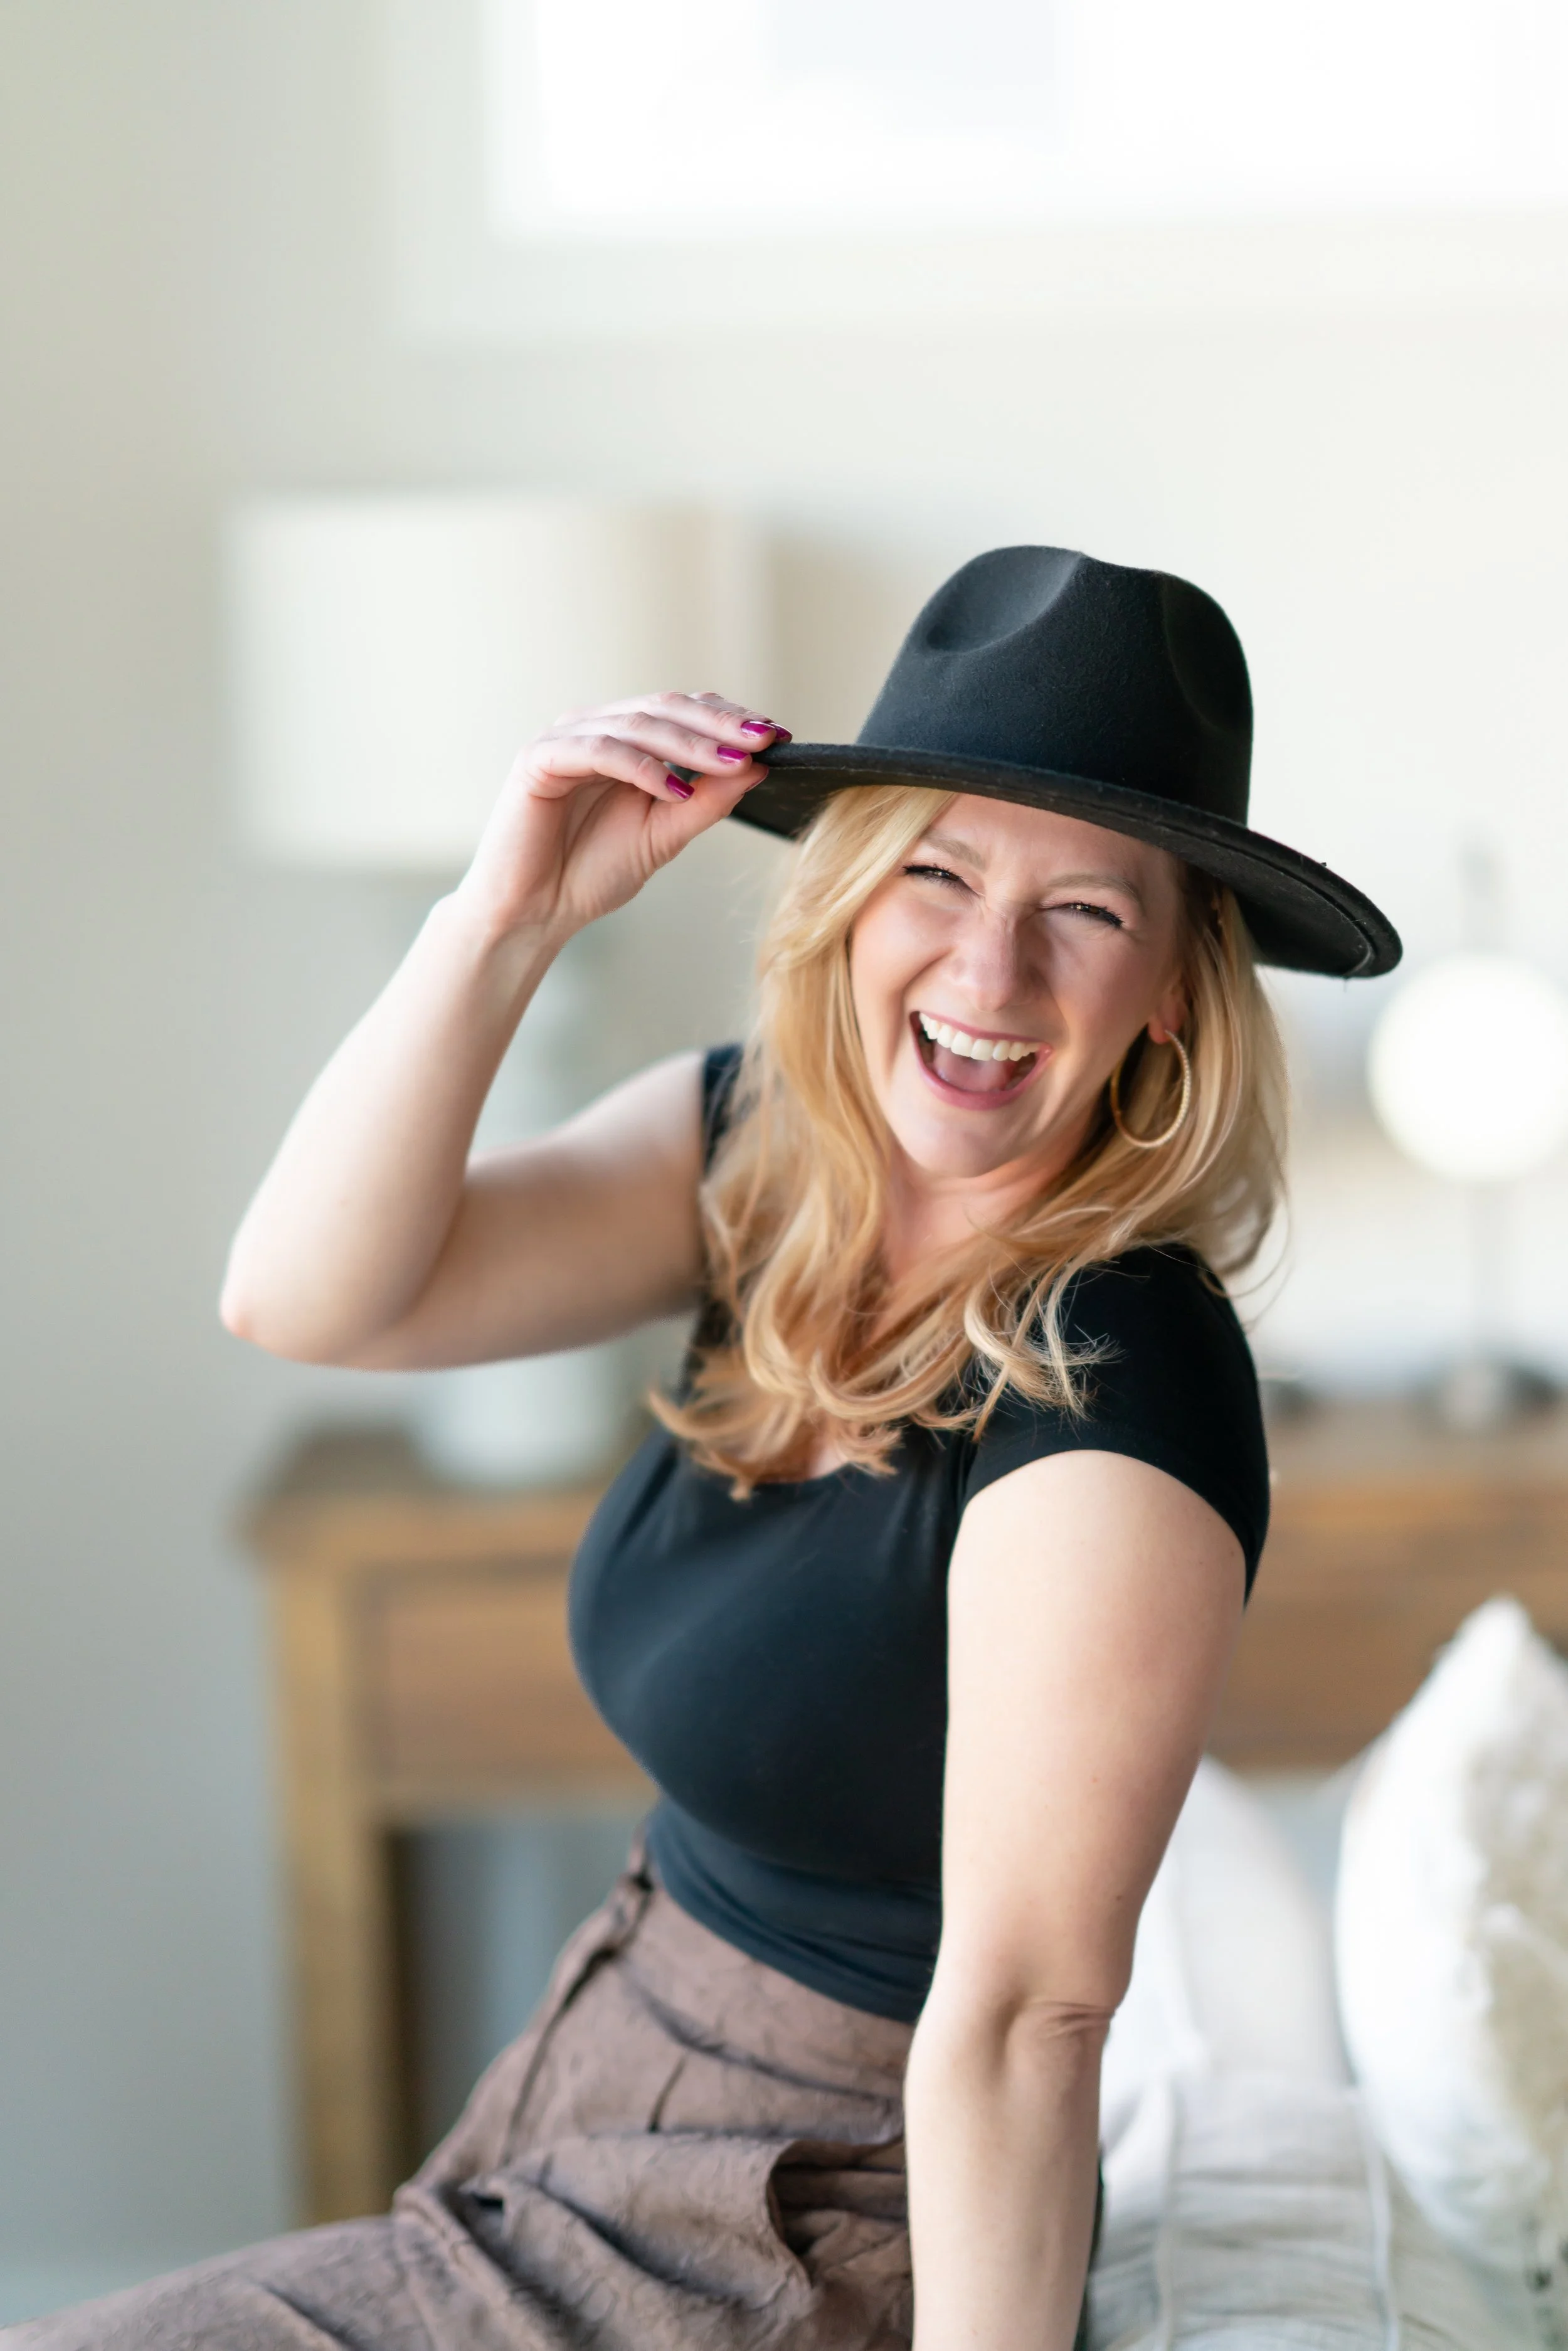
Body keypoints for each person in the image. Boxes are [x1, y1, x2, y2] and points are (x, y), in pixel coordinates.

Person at [9, 547, 1399, 2351]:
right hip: (580, 2100)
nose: (990, 963)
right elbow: (306, 1296)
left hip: (805, 2215)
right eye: (938, 867)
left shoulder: (1119, 1375)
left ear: (1173, 997)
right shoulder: (758, 1158)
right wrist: (500, 920)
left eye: (1087, 911)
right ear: (846, 895)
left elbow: (1024, 2017)